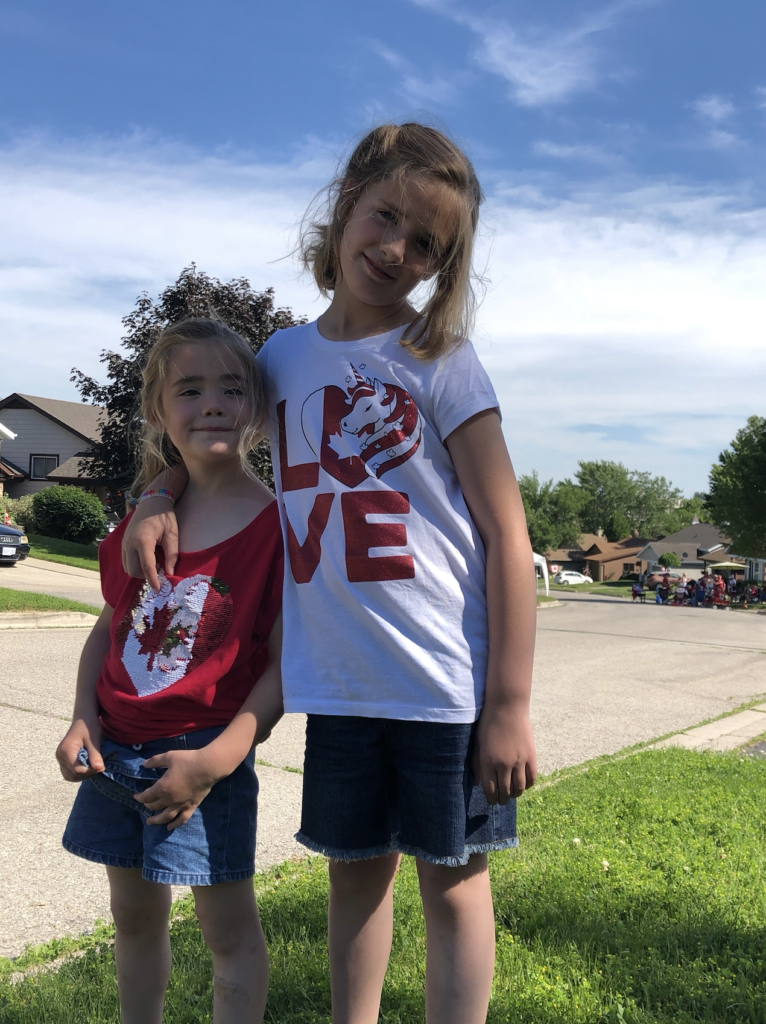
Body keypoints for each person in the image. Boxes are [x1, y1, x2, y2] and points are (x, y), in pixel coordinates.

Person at [122, 123, 537, 1024]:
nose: (395, 249)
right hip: (341, 686)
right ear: (346, 204)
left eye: (425, 241)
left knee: (456, 888)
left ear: (442, 263)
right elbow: (214, 446)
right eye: (385, 216)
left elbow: (509, 536)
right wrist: (157, 491)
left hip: (445, 687)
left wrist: (507, 705)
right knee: (354, 882)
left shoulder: (442, 362)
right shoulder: (280, 359)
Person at [56, 319, 284, 1024]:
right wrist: (81, 719)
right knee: (131, 917)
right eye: (190, 389)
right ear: (157, 411)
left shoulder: (276, 526)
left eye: (230, 388)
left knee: (227, 932)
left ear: (255, 406)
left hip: (202, 760)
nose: (212, 403)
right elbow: (108, 629)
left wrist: (218, 758)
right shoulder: (144, 521)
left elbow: (282, 666)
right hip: (114, 756)